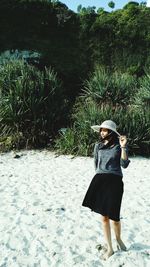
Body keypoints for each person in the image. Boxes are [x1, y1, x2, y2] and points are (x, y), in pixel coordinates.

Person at [82, 120, 130, 260]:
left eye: (105, 130)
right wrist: (99, 176)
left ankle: (119, 239)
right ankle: (110, 248)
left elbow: (124, 164)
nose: (102, 132)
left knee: (114, 217)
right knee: (104, 217)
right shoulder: (97, 146)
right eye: (101, 130)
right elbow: (96, 164)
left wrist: (123, 147)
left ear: (111, 132)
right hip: (100, 180)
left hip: (114, 182)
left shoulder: (118, 146)